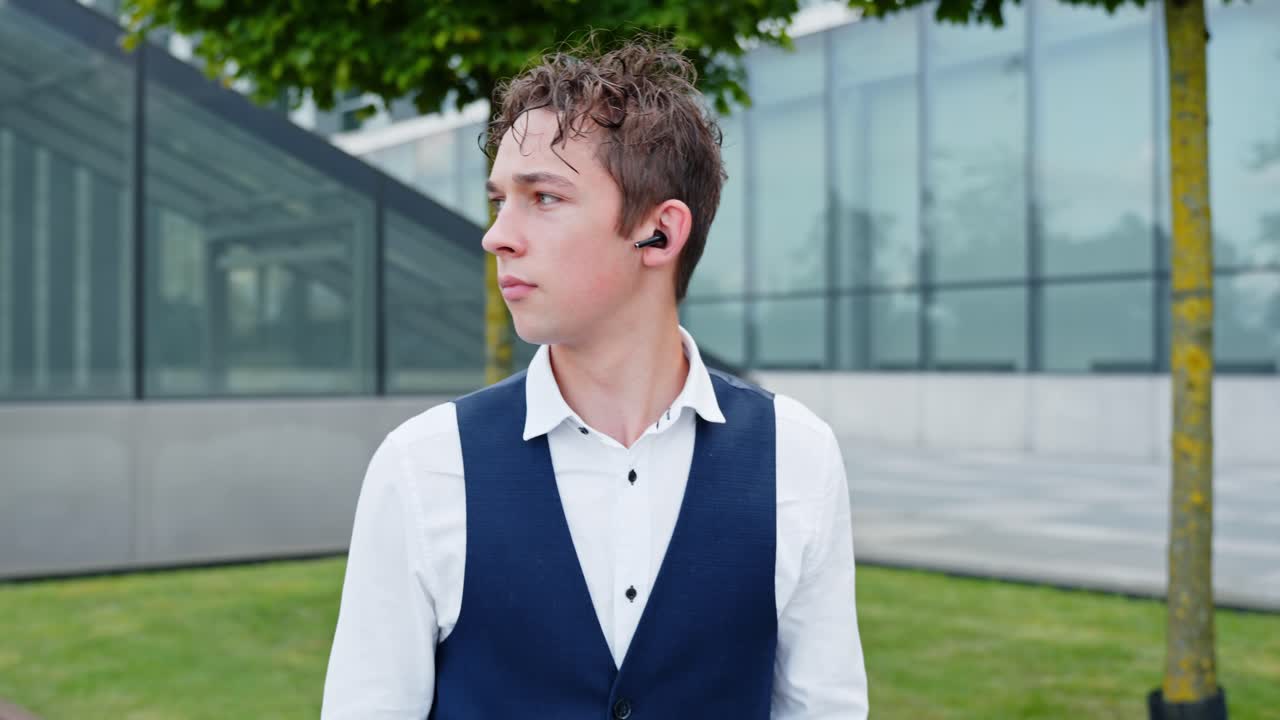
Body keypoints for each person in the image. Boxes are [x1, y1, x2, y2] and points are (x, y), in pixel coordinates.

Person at [321, 38, 868, 719]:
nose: (497, 235)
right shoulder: (423, 465)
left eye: (543, 198)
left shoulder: (798, 456)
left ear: (659, 235)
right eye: (499, 201)